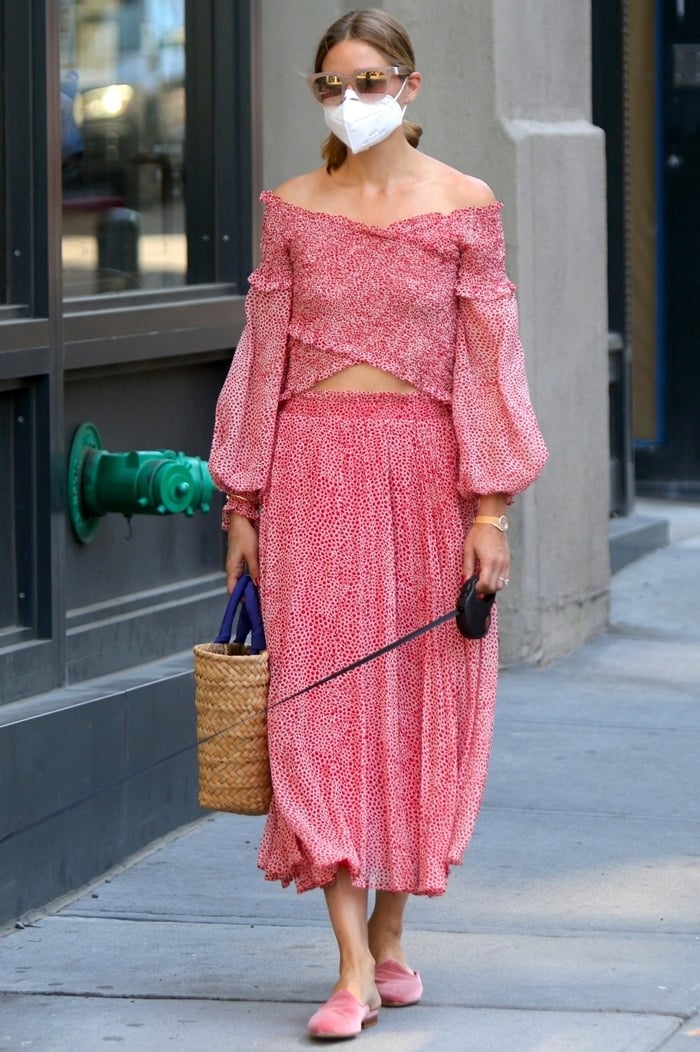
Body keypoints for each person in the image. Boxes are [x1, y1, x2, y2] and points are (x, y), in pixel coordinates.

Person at [208, 8, 547, 1041]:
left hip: (427, 474)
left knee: (411, 702)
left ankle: (392, 933)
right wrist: (243, 497)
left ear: (407, 84)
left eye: (365, 80)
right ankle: (350, 961)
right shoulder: (292, 210)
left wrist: (490, 509)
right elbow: (260, 358)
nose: (347, 101)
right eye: (329, 86)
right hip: (313, 474)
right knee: (318, 704)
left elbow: (489, 365)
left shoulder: (465, 205)